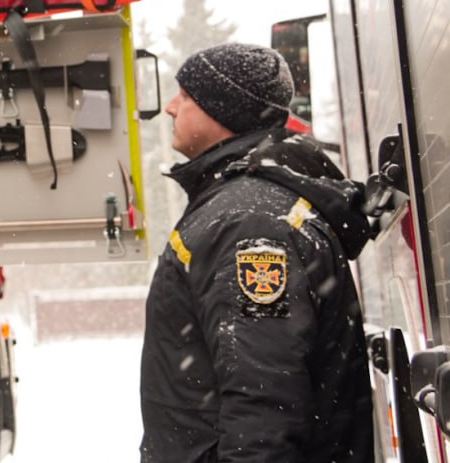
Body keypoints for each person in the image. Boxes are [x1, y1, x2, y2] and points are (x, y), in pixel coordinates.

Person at [139, 43, 374, 462]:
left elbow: (264, 404)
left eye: (187, 96)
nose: (172, 108)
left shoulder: (247, 223)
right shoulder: (244, 207)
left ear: (223, 112)